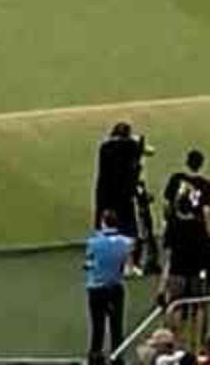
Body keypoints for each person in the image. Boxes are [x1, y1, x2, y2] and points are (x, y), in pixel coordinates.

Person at [162, 149, 210, 307]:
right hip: (196, 232)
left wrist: (168, 221)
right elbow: (206, 212)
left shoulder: (176, 179)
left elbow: (166, 204)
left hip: (176, 228)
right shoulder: (204, 185)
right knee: (197, 274)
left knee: (172, 261)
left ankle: (164, 289)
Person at [84, 208, 134, 362]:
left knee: (97, 324)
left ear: (103, 223)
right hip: (115, 287)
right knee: (116, 325)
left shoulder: (93, 242)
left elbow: (88, 263)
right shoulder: (127, 242)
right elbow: (128, 269)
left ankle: (95, 355)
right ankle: (117, 356)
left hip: (96, 288)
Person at [96, 123, 147, 257]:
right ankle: (132, 261)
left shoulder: (105, 147)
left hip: (106, 192)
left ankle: (108, 257)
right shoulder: (131, 146)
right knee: (129, 227)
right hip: (125, 193)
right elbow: (139, 149)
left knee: (108, 226)